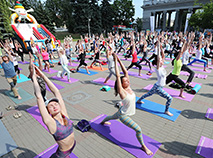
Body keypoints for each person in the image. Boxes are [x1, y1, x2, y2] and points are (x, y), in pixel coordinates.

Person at [100, 53, 153, 156]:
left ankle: (103, 121)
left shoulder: (129, 87)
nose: (128, 81)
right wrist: (115, 61)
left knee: (111, 117)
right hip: (123, 115)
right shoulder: (122, 91)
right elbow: (119, 75)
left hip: (122, 110)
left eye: (127, 80)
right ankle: (143, 146)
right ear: (122, 84)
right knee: (138, 129)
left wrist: (119, 60)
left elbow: (124, 72)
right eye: (125, 81)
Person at [32, 66, 75, 158]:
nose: (54, 106)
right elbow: (39, 96)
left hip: (72, 146)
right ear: (48, 111)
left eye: (56, 104)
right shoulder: (50, 122)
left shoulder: (64, 114)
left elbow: (56, 91)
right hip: (62, 155)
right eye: (51, 106)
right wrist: (34, 78)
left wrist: (43, 75)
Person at [137, 41, 173, 116]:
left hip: (156, 86)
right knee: (170, 98)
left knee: (148, 94)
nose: (162, 61)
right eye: (160, 61)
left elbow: (163, 56)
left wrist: (161, 47)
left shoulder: (162, 66)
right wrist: (158, 49)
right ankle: (166, 111)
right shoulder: (157, 69)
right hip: (158, 88)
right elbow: (159, 58)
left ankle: (139, 100)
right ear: (157, 62)